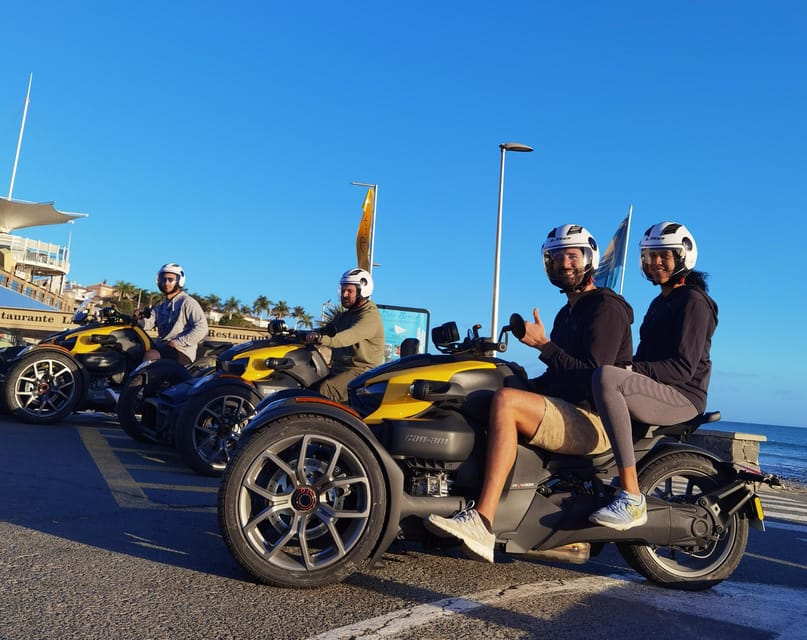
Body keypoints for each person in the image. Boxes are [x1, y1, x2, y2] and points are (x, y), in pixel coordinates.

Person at [425, 223, 634, 562]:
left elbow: (595, 376)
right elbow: (559, 376)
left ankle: (483, 520)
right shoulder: (569, 312)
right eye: (556, 257)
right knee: (492, 389)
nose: (565, 264)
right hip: (569, 409)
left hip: (594, 421)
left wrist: (544, 345)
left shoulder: (606, 307)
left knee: (507, 403)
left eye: (572, 255)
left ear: (589, 258)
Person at [588, 221, 718, 530]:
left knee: (607, 378)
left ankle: (631, 497)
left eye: (664, 255)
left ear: (682, 257)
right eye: (650, 256)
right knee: (596, 377)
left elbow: (683, 367)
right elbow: (643, 357)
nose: (656, 262)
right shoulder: (660, 302)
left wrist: (629, 370)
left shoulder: (694, 302)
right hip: (656, 389)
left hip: (683, 395)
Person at [306, 268, 385, 403]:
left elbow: (345, 337)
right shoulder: (345, 316)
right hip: (340, 369)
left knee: (327, 390)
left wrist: (320, 339)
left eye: (349, 291)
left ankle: (319, 424)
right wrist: (303, 334)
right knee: (308, 382)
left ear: (362, 291)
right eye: (343, 291)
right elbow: (327, 330)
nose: (345, 294)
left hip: (361, 371)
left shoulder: (370, 316)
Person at [136, 263, 209, 366]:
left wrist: (177, 342)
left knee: (150, 356)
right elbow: (148, 323)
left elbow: (202, 328)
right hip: (162, 348)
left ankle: (139, 382)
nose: (166, 283)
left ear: (179, 281)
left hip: (181, 352)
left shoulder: (187, 302)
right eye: (163, 279)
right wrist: (137, 319)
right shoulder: (161, 306)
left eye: (171, 280)